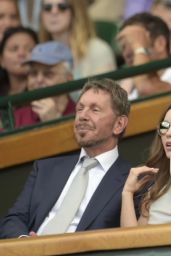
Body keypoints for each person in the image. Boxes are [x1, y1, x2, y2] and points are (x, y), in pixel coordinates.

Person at [0, 78, 138, 238]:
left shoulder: (132, 181)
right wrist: (26, 244)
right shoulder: (45, 169)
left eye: (95, 110)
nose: (82, 116)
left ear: (119, 124)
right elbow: (14, 219)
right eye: (80, 109)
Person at [39, 0, 116, 82]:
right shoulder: (37, 54)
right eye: (47, 8)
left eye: (62, 7)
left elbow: (106, 93)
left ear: (76, 11)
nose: (54, 12)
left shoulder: (98, 50)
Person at [121, 104, 171, 227]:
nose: (168, 133)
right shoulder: (157, 190)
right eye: (165, 126)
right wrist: (127, 193)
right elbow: (131, 242)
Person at [117, 12, 171, 100]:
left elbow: (145, 89)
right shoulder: (129, 84)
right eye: (123, 47)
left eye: (133, 42)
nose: (126, 53)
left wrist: (139, 48)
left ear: (160, 43)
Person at [25, 41, 76, 122]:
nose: (39, 80)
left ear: (69, 78)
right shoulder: (16, 118)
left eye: (48, 74)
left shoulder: (83, 117)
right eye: (33, 73)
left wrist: (55, 123)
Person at [0, 26, 39, 130]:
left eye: (29, 49)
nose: (21, 54)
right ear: (1, 60)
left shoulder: (47, 89)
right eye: (14, 49)